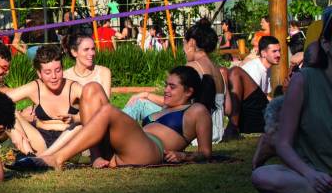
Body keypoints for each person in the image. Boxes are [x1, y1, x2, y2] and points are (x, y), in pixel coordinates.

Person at [29, 67, 213, 170]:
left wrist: (184, 155)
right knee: (91, 88)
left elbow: (206, 153)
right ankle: (96, 155)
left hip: (151, 151)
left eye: (172, 87)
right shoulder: (166, 107)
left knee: (108, 111)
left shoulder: (197, 110)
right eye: (166, 85)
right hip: (128, 147)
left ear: (189, 91)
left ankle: (57, 158)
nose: (166, 90)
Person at [250, 14, 332, 193]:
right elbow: (283, 144)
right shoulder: (303, 81)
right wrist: (310, 174)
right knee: (262, 176)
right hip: (315, 175)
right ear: (326, 44)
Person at [5, 45, 86, 154]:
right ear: (39, 74)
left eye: (58, 70)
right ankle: (30, 157)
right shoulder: (34, 87)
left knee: (81, 125)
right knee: (8, 111)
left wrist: (76, 118)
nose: (54, 76)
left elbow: (98, 112)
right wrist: (19, 119)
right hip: (41, 140)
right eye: (47, 72)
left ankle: (41, 159)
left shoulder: (74, 88)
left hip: (69, 141)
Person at [226, 35, 280, 135]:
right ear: (263, 53)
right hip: (248, 112)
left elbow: (263, 95)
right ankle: (233, 127)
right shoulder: (254, 68)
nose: (279, 54)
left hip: (256, 111)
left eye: (279, 51)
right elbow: (249, 97)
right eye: (274, 51)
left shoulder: (267, 69)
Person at [63, 32, 113, 98]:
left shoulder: (103, 72)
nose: (91, 53)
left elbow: (106, 104)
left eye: (93, 49)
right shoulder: (65, 76)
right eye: (86, 49)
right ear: (74, 52)